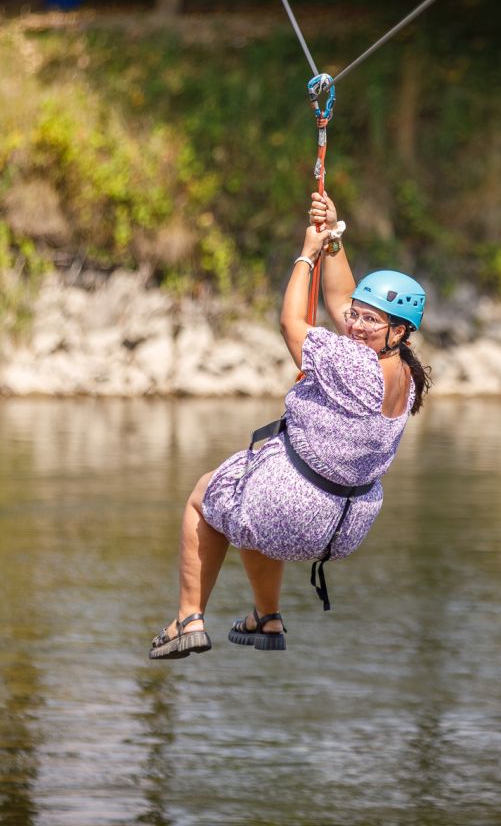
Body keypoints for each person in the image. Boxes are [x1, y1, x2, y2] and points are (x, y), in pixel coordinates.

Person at [149, 191, 431, 659]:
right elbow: (341, 297)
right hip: (343, 523)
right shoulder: (408, 374)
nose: (355, 325)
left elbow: (291, 324)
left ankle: (188, 618)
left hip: (295, 504)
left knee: (204, 498)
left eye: (370, 320)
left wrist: (306, 254)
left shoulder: (352, 364)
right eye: (356, 316)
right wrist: (333, 238)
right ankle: (267, 616)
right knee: (253, 502)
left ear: (398, 331)